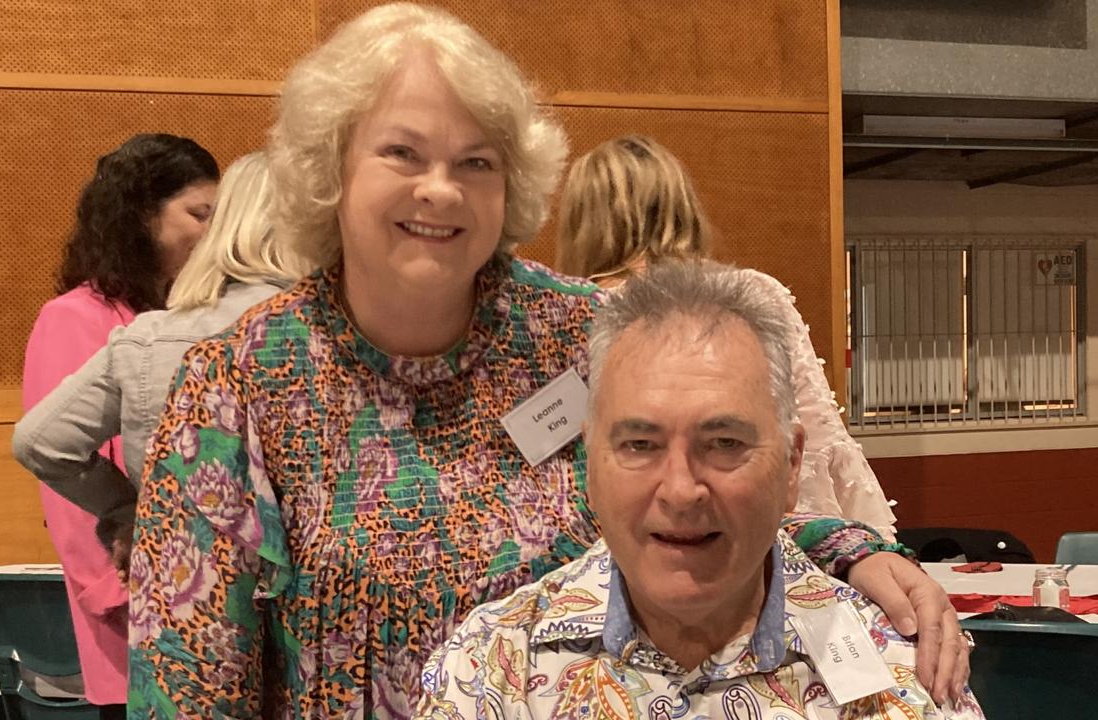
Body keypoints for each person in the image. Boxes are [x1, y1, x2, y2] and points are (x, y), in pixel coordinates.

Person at [128, 5, 966, 717]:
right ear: (330, 170)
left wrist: (851, 550)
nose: (440, 189)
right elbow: (187, 674)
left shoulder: (583, 335)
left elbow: (705, 488)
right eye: (402, 153)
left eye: (476, 161)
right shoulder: (241, 383)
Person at [418, 260, 983, 719]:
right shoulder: (489, 672)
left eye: (724, 443)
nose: (682, 490)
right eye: (639, 445)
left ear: (791, 465)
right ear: (589, 464)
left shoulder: (905, 678)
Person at [556, 134, 897, 539]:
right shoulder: (755, 293)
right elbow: (821, 435)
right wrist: (856, 546)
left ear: (581, 221)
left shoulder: (575, 311)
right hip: (783, 537)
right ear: (683, 206)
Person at [14, 151, 311, 577]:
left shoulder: (149, 335)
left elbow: (39, 441)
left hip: (178, 595)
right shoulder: (337, 334)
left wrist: (131, 512)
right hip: (307, 605)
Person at [20, 132, 217, 716]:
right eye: (199, 213)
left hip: (197, 610)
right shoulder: (73, 317)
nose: (214, 232)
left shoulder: (180, 317)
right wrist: (119, 593)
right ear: (140, 216)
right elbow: (64, 488)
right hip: (131, 607)